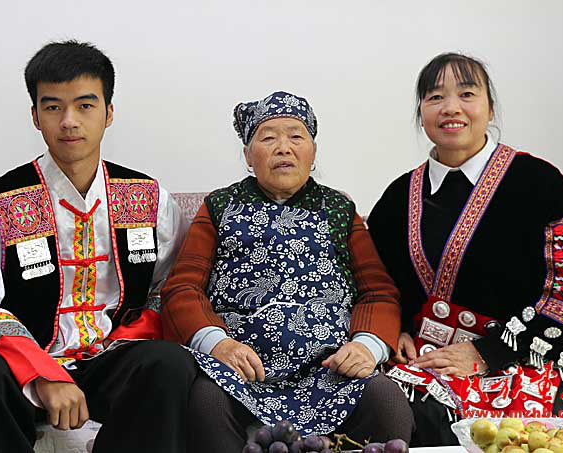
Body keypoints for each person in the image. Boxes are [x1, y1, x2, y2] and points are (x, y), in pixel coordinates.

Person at [0, 40, 195, 453]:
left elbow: (170, 286)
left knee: (169, 364)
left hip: (112, 358)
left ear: (108, 112)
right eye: (53, 107)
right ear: (35, 116)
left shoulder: (147, 197)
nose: (68, 122)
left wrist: (131, 334)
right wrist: (39, 370)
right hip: (23, 365)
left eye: (84, 105)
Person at [367, 53, 563, 446]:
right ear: (421, 112)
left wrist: (487, 353)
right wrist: (392, 329)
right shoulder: (398, 197)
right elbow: (374, 284)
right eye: (435, 97)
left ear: (490, 108)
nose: (451, 108)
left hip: (521, 360)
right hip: (421, 362)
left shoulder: (540, 183)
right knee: (370, 402)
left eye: (466, 94)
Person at [161, 91, 413, 452]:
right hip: (239, 369)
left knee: (386, 401)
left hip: (330, 369)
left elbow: (378, 291)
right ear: (248, 156)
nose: (284, 148)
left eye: (296, 136)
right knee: (206, 402)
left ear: (313, 152)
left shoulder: (339, 209)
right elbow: (183, 288)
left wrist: (366, 345)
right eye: (268, 138)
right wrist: (218, 344)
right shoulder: (219, 207)